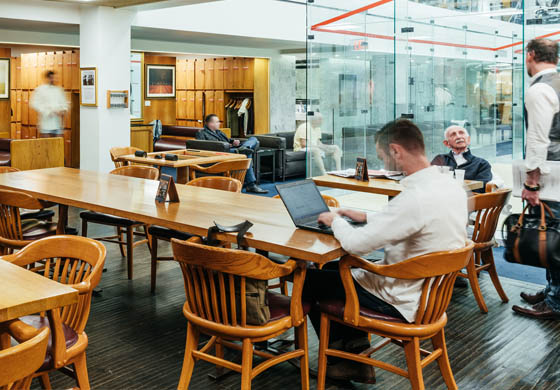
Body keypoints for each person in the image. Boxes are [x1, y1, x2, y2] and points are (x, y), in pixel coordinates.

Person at [302, 119, 468, 383]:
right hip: (432, 294)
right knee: (333, 271)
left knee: (312, 279)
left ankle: (343, 363)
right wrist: (366, 216)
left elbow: (356, 245)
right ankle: (354, 353)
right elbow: (411, 222)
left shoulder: (413, 198)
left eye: (382, 157)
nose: (382, 164)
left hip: (403, 299)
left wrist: (336, 221)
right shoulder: (449, 186)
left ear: (395, 151)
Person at [512, 38, 560, 320]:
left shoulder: (540, 88)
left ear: (530, 55)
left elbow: (538, 139)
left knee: (553, 238)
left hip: (553, 177)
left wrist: (531, 183)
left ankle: (554, 302)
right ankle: (553, 290)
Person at [196, 114, 268, 194]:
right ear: (210, 123)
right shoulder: (202, 133)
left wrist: (233, 142)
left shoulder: (219, 132)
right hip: (223, 153)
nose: (219, 123)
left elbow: (228, 140)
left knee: (253, 139)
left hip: (232, 149)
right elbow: (204, 146)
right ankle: (251, 185)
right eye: (217, 122)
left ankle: (245, 148)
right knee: (247, 155)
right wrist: (226, 145)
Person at [431, 125, 492, 192]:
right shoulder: (440, 160)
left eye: (461, 133)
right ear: (447, 144)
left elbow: (482, 188)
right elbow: (428, 180)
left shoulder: (481, 164)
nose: (458, 136)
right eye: (453, 134)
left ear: (468, 140)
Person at [30, 70, 68, 138]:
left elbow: (65, 104)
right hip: (45, 124)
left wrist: (62, 110)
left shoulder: (59, 90)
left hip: (57, 124)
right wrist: (48, 111)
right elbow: (34, 103)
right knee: (46, 146)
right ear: (46, 78)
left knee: (58, 146)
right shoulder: (40, 90)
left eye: (54, 78)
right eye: (51, 78)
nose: (53, 80)